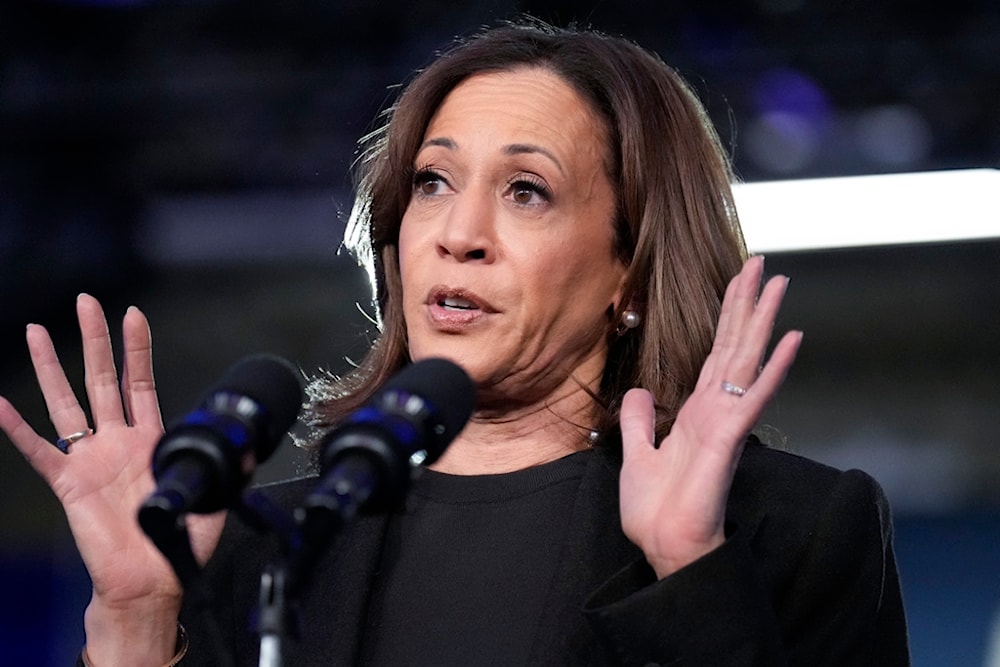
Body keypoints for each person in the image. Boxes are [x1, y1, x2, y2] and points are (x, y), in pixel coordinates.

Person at [0, 19, 909, 666]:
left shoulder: (795, 532)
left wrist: (689, 570)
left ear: (632, 267)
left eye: (526, 191)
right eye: (432, 182)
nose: (457, 232)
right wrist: (138, 615)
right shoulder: (259, 546)